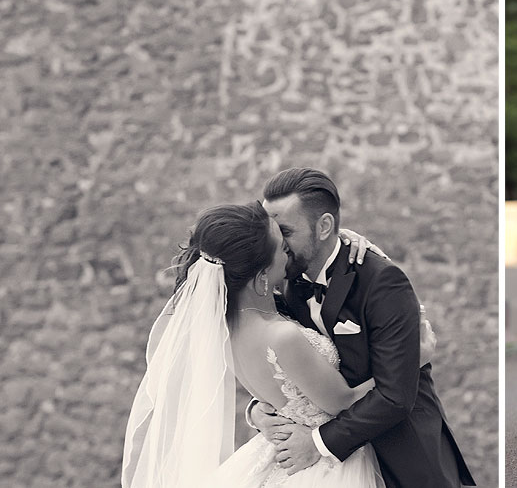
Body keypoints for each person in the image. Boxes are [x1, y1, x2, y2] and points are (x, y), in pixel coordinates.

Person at [121, 201, 386, 487]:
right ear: (261, 277)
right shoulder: (281, 336)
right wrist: (411, 360)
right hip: (320, 461)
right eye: (282, 249)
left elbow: (279, 391)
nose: (289, 252)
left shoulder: (224, 328)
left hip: (274, 454)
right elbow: (343, 403)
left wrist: (256, 413)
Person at [247, 168, 474, 487]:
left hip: (399, 456)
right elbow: (285, 363)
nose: (276, 245)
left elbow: (395, 396)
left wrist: (317, 444)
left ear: (324, 226)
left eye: (285, 232)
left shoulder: (382, 281)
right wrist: (258, 409)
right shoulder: (286, 282)